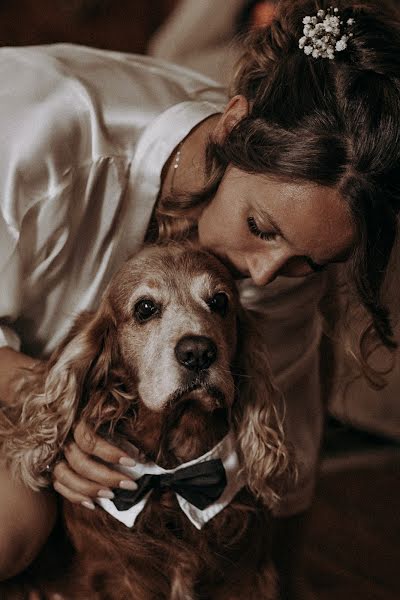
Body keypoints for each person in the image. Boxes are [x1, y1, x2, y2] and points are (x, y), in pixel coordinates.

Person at [0, 1, 399, 598]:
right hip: (33, 387)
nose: (265, 278)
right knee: (12, 530)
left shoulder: (288, 250)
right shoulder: (45, 139)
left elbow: (281, 461)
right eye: (262, 227)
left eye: (310, 261)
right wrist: (55, 407)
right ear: (233, 125)